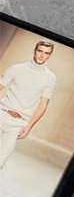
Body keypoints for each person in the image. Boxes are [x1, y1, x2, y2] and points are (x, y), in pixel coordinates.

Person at [0, 39, 57, 171]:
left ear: (50, 55)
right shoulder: (16, 69)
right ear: (34, 51)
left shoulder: (50, 78)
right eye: (40, 51)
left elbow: (43, 104)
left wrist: (29, 126)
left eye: (46, 53)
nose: (42, 55)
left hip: (18, 124)